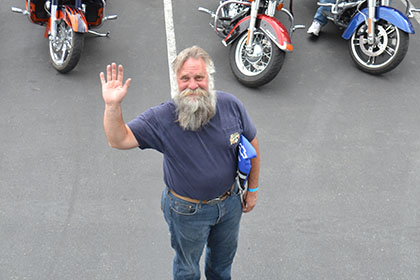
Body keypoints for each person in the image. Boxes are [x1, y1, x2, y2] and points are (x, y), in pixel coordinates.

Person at [100, 46, 260, 280]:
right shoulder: (163, 117)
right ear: (176, 81)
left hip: (230, 204)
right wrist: (112, 106)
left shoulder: (231, 105)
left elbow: (252, 141)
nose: (192, 85)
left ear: (209, 78)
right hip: (187, 211)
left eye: (199, 77)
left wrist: (252, 190)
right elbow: (118, 139)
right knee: (187, 269)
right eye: (185, 78)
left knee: (222, 266)